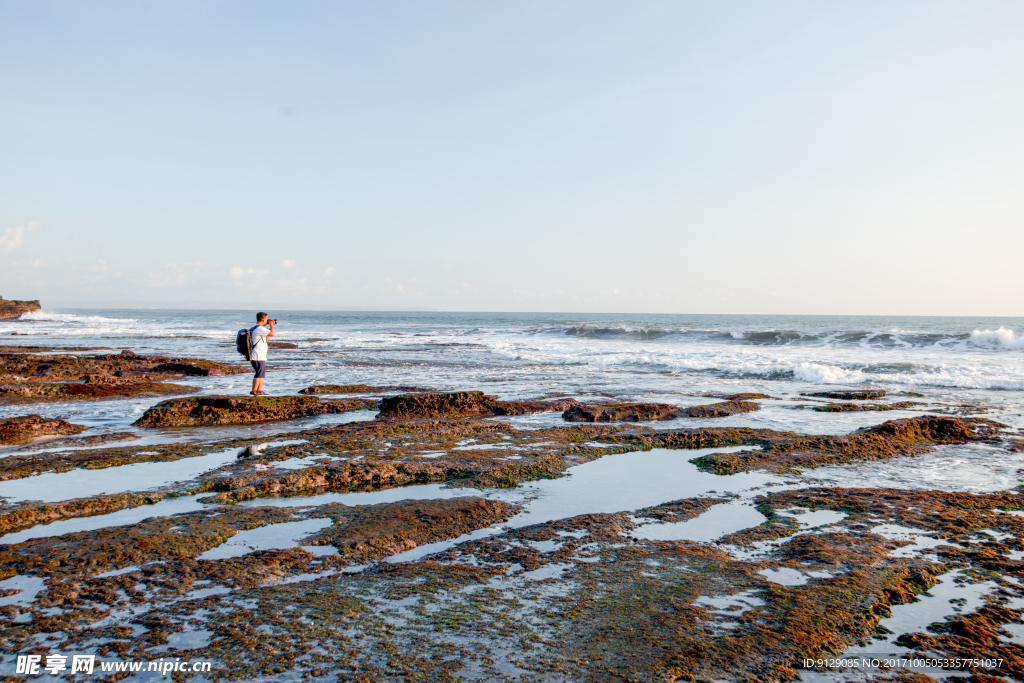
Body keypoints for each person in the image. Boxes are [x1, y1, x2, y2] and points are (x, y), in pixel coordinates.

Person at [250, 312, 275, 395]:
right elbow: (272, 333)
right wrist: (271, 325)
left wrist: (270, 326)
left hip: (259, 355)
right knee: (258, 374)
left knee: (261, 374)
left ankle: (259, 390)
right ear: (264, 319)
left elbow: (267, 338)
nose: (267, 321)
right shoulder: (259, 328)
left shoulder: (256, 328)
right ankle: (254, 390)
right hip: (257, 356)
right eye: (267, 320)